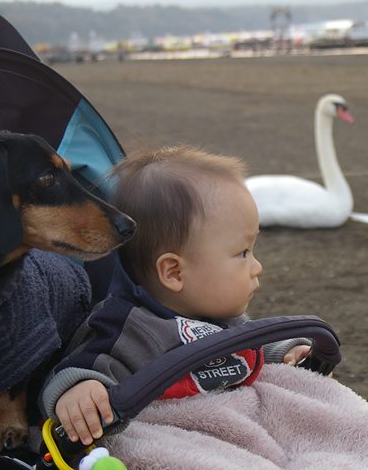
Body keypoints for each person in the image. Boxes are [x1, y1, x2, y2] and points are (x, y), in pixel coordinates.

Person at [40, 145, 312, 446]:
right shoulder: (125, 328)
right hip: (174, 444)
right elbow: (72, 372)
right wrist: (80, 389)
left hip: (235, 436)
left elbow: (251, 347)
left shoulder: (222, 317)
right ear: (174, 273)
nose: (257, 266)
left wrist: (286, 351)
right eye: (243, 253)